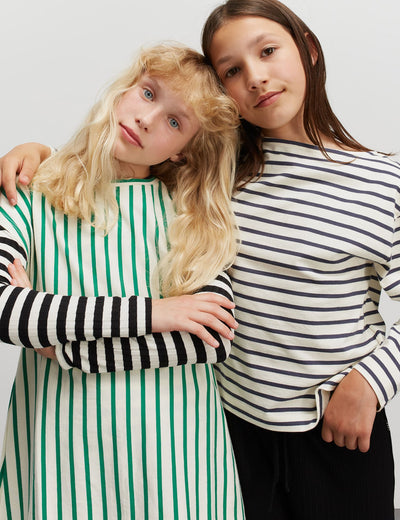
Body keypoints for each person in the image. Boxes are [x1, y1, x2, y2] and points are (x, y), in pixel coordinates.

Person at [3, 2, 399, 519]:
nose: (255, 77)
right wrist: (38, 152)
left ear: (309, 49)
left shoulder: (383, 181)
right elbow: (119, 169)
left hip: (338, 426)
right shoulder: (213, 185)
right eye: (232, 70)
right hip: (232, 427)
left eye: (268, 51)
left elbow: (206, 331)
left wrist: (370, 381)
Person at [0, 43, 246, 519]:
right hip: (63, 450)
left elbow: (209, 339)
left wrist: (59, 347)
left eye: (175, 122)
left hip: (178, 458)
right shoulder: (30, 193)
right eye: (148, 93)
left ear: (183, 151)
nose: (147, 119)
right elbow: (5, 311)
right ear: (126, 87)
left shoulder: (191, 219)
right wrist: (156, 313)